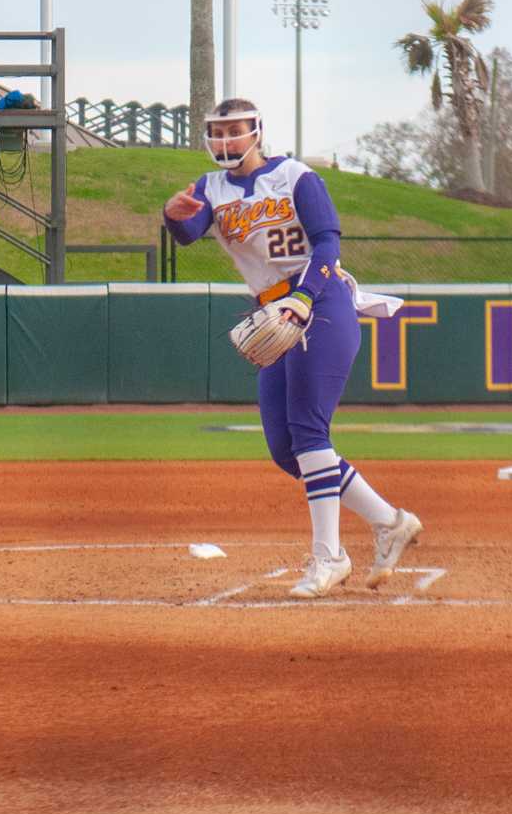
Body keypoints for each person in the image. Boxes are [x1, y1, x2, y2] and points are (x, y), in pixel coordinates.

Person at [162, 98, 421, 599]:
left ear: (256, 132)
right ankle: (390, 522)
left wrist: (304, 297)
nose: (226, 141)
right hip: (272, 315)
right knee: (287, 450)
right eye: (218, 132)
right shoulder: (210, 188)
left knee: (308, 432)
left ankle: (329, 558)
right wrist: (173, 217)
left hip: (321, 302)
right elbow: (190, 232)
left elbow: (327, 244)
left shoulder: (297, 177)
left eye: (235, 131)